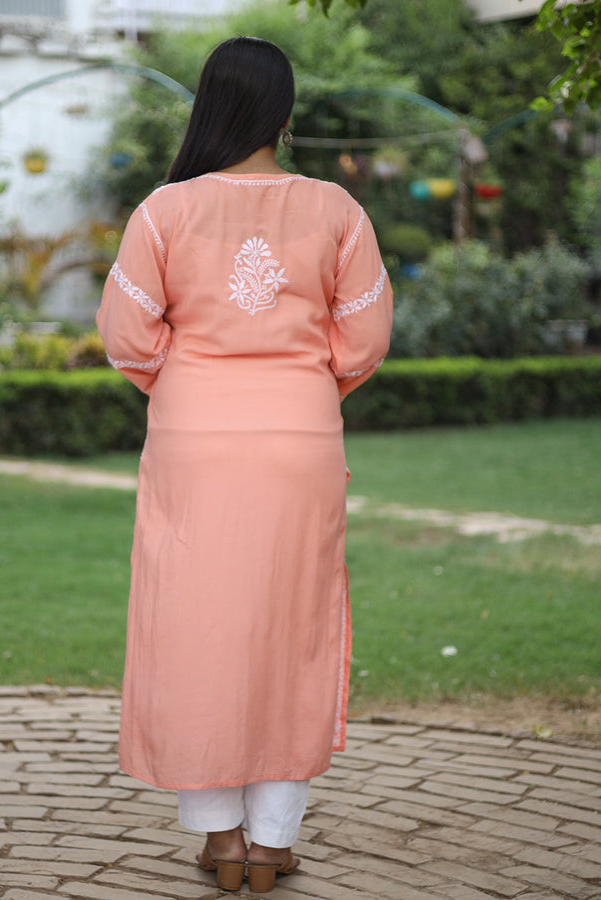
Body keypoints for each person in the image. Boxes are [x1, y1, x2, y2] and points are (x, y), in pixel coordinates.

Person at [96, 36, 393, 893]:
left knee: (195, 627)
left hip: (192, 441)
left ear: (209, 108)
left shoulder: (164, 211)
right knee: (290, 627)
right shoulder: (336, 209)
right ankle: (272, 844)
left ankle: (221, 841)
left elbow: (127, 337)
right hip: (300, 440)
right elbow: (366, 339)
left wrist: (192, 382)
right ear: (284, 115)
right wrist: (299, 384)